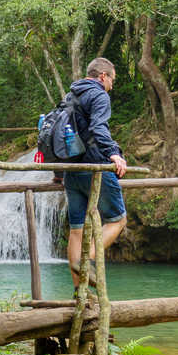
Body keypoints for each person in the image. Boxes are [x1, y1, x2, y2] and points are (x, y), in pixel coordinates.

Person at [63, 56, 129, 288]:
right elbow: (98, 127)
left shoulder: (70, 95)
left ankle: (78, 291)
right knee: (118, 220)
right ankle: (85, 260)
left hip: (71, 170)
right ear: (103, 76)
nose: (112, 85)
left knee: (77, 229)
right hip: (94, 167)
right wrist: (114, 153)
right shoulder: (99, 94)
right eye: (112, 79)